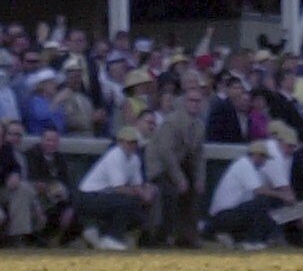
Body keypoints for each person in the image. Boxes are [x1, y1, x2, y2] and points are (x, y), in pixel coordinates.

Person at [145, 81, 207, 248]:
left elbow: (199, 155)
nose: (195, 104)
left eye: (198, 101)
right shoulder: (172, 122)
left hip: (179, 165)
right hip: (159, 167)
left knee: (194, 191)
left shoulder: (199, 125)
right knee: (171, 193)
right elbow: (166, 153)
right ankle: (163, 235)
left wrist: (200, 179)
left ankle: (187, 236)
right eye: (191, 100)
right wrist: (180, 179)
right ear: (184, 102)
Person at [76, 125, 152, 250]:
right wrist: (141, 194)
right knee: (126, 202)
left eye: (134, 142)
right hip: (88, 197)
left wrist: (145, 194)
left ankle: (104, 234)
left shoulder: (135, 159)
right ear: (120, 142)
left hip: (104, 196)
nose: (132, 145)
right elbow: (120, 188)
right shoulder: (115, 155)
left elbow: (137, 185)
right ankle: (111, 238)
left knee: (135, 206)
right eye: (129, 142)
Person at [206, 138, 280, 248]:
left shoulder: (250, 168)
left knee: (263, 208)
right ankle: (252, 241)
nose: (265, 162)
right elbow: (259, 190)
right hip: (223, 216)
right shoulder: (244, 165)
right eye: (264, 158)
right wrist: (282, 195)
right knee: (261, 203)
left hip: (228, 214)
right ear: (258, 155)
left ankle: (247, 238)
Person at [21, 126, 80, 244]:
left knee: (75, 213)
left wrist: (69, 207)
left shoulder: (60, 158)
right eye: (48, 140)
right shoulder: (30, 155)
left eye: (54, 141)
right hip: (36, 199)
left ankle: (60, 243)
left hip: (57, 199)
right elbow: (32, 181)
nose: (51, 144)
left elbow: (68, 184)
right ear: (42, 140)